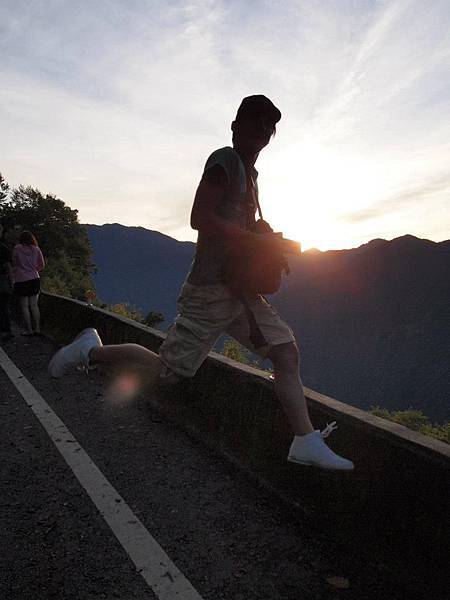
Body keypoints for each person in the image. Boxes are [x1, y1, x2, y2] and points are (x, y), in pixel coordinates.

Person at [48, 95, 353, 471]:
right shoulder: (224, 160)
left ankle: (304, 440)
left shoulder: (250, 174)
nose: (263, 131)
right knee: (166, 375)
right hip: (208, 290)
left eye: (269, 126)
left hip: (239, 290)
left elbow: (237, 229)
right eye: (255, 122)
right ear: (235, 125)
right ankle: (88, 352)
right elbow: (199, 217)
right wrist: (258, 241)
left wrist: (269, 240)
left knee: (286, 352)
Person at [12, 230, 45, 335]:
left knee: (25, 306)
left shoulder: (17, 249)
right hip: (35, 278)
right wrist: (34, 270)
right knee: (34, 305)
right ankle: (38, 328)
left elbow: (14, 262)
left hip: (21, 279)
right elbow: (42, 265)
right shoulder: (36, 249)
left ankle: (29, 329)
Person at [0, 224, 14, 343]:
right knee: (4, 307)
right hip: (2, 281)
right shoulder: (4, 249)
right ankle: (6, 331)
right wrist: (12, 282)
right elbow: (8, 267)